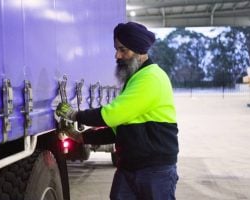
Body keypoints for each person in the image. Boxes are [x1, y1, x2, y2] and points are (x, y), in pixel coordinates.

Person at [56, 21, 179, 200]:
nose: (117, 55)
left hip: (154, 170)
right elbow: (119, 129)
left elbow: (112, 115)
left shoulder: (151, 77)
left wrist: (75, 115)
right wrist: (80, 137)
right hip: (130, 167)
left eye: (123, 50)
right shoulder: (135, 79)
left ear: (140, 51)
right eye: (116, 49)